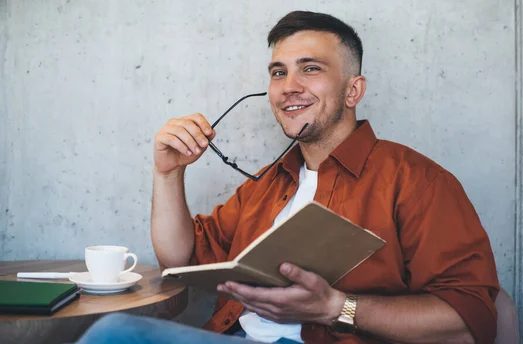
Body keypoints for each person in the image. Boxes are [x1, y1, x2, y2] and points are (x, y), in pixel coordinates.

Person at [78, 10, 499, 344]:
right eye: (278, 72)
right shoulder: (267, 184)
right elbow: (179, 258)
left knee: (114, 334)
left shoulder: (417, 181)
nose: (287, 87)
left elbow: (467, 324)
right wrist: (167, 173)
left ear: (353, 91)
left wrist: (335, 307)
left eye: (310, 68)